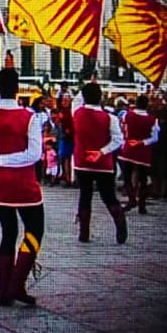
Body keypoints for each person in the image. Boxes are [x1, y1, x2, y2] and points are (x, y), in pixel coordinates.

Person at [0, 66, 44, 307]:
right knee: (34, 230)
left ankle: (3, 290)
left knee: (8, 232)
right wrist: (6, 159)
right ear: (18, 89)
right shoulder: (29, 117)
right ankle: (17, 283)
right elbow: (34, 154)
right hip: (22, 184)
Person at [71, 84, 128, 245]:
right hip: (103, 163)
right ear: (100, 97)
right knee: (108, 196)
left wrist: (89, 82)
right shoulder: (110, 118)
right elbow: (118, 140)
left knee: (85, 196)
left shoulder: (77, 113)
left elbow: (77, 99)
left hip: (82, 162)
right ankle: (120, 222)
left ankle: (84, 233)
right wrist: (102, 152)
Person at [119, 93, 158, 216]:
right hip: (143, 151)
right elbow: (155, 137)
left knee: (127, 177)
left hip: (129, 149)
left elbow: (123, 130)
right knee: (143, 179)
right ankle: (142, 204)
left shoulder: (127, 115)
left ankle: (131, 199)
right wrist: (142, 142)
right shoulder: (152, 119)